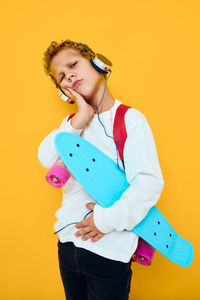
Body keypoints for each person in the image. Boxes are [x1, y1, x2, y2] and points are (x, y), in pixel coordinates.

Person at [38, 39, 165, 300]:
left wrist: (104, 220)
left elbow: (148, 184)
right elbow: (46, 157)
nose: (69, 75)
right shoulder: (71, 125)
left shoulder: (129, 119)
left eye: (73, 64)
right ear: (63, 90)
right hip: (68, 247)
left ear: (97, 65)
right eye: (61, 76)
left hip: (109, 249)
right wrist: (79, 120)